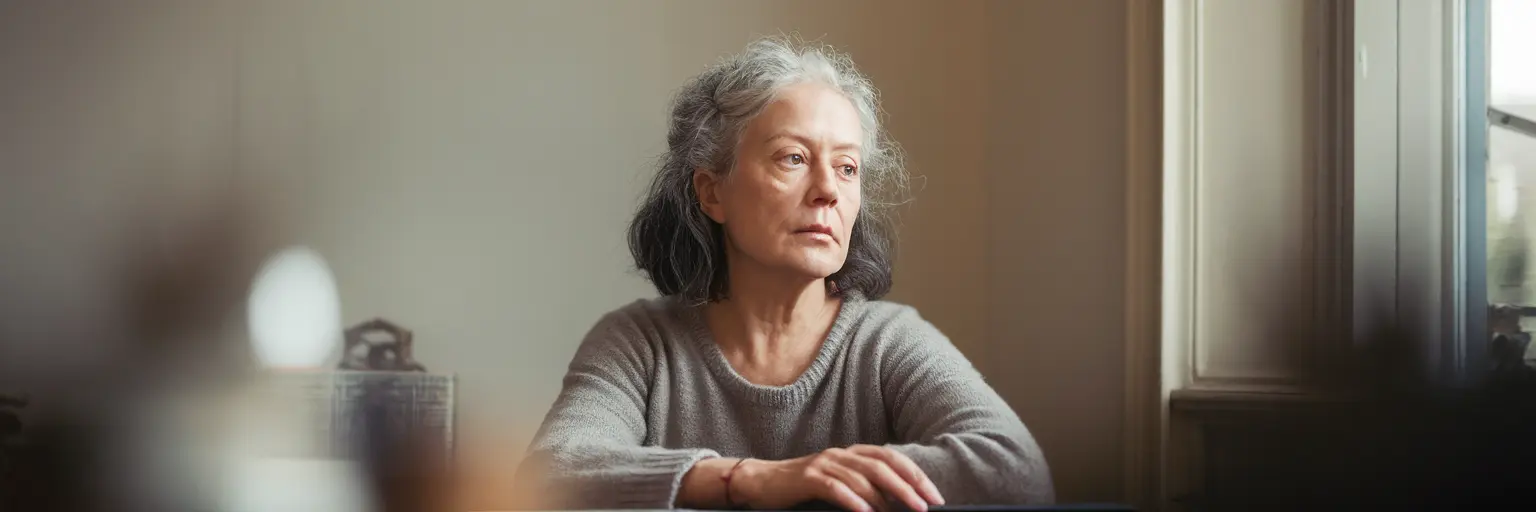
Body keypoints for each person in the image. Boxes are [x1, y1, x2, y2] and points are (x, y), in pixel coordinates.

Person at [517, 36, 1054, 511]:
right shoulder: (638, 343)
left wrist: (821, 482)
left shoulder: (889, 340)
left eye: (847, 167)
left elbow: (1014, 469)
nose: (829, 190)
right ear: (712, 192)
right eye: (793, 158)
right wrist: (750, 480)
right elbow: (550, 477)